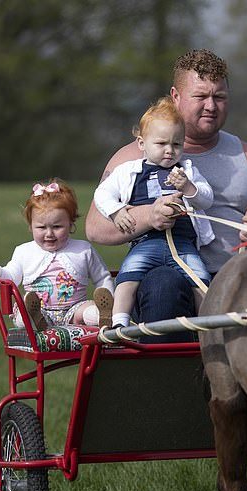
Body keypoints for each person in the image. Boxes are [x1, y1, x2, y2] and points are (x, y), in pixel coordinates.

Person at [85, 49, 247, 340]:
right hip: (163, 274)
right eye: (201, 97)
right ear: (176, 96)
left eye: (220, 97)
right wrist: (151, 215)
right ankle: (171, 380)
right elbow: (95, 228)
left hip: (235, 276)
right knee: (164, 285)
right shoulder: (131, 158)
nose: (211, 106)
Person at [93, 97, 215, 328]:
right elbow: (102, 194)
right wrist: (117, 212)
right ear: (142, 143)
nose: (169, 151)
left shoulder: (187, 170)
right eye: (161, 144)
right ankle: (119, 323)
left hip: (182, 243)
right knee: (129, 274)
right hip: (146, 241)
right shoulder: (128, 171)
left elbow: (207, 199)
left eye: (176, 145)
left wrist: (189, 188)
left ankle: (206, 327)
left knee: (200, 278)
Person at [0, 180, 115, 331]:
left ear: (70, 224)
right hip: (41, 310)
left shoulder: (83, 250)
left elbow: (102, 278)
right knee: (23, 315)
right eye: (41, 227)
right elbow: (10, 275)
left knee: (87, 309)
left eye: (57, 227)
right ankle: (36, 319)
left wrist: (109, 296)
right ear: (30, 226)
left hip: (74, 312)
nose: (49, 233)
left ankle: (103, 315)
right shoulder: (24, 252)